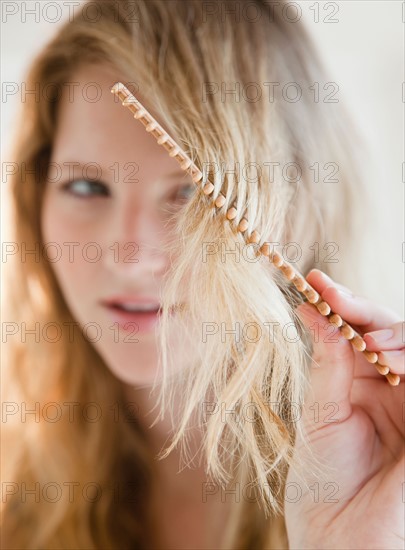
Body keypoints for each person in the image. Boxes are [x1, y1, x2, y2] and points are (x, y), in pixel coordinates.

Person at [2, 1, 403, 548]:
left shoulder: (389, 489)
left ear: (298, 207)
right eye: (86, 187)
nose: (129, 256)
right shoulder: (12, 486)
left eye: (191, 193)